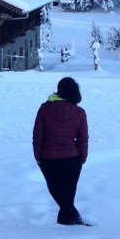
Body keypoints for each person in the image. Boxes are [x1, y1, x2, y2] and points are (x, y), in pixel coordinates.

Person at [32, 76, 89, 225]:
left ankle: (69, 224)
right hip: (72, 159)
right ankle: (73, 223)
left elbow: (38, 135)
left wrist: (38, 156)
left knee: (62, 197)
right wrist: (82, 158)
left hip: (48, 159)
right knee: (67, 197)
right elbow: (83, 138)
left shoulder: (44, 108)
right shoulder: (79, 112)